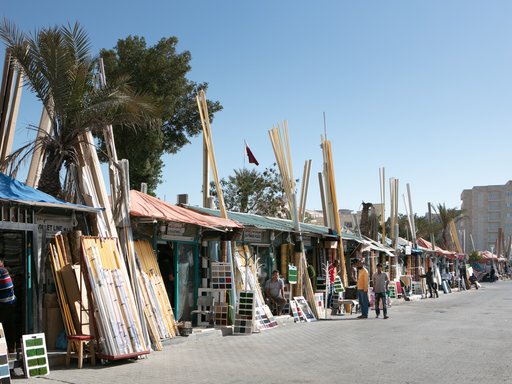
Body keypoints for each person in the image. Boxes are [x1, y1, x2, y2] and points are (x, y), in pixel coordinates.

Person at [0, 256, 17, 353]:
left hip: (6, 303)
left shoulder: (2, 271)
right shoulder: (4, 270)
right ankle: (11, 347)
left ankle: (6, 348)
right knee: (9, 325)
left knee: (5, 326)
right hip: (9, 302)